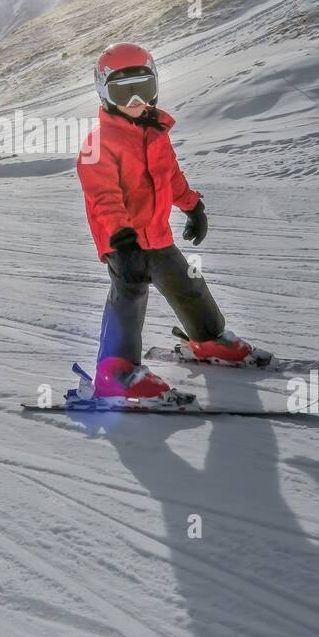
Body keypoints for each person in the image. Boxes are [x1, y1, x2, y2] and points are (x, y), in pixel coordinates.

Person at [77, 42, 253, 398]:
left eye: (143, 89)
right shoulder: (99, 144)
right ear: (104, 93)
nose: (136, 101)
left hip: (156, 235)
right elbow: (103, 198)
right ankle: (117, 372)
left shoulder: (155, 133)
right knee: (129, 297)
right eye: (124, 93)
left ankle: (208, 340)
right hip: (122, 241)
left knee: (187, 285)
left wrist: (192, 207)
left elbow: (170, 176)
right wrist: (122, 241)